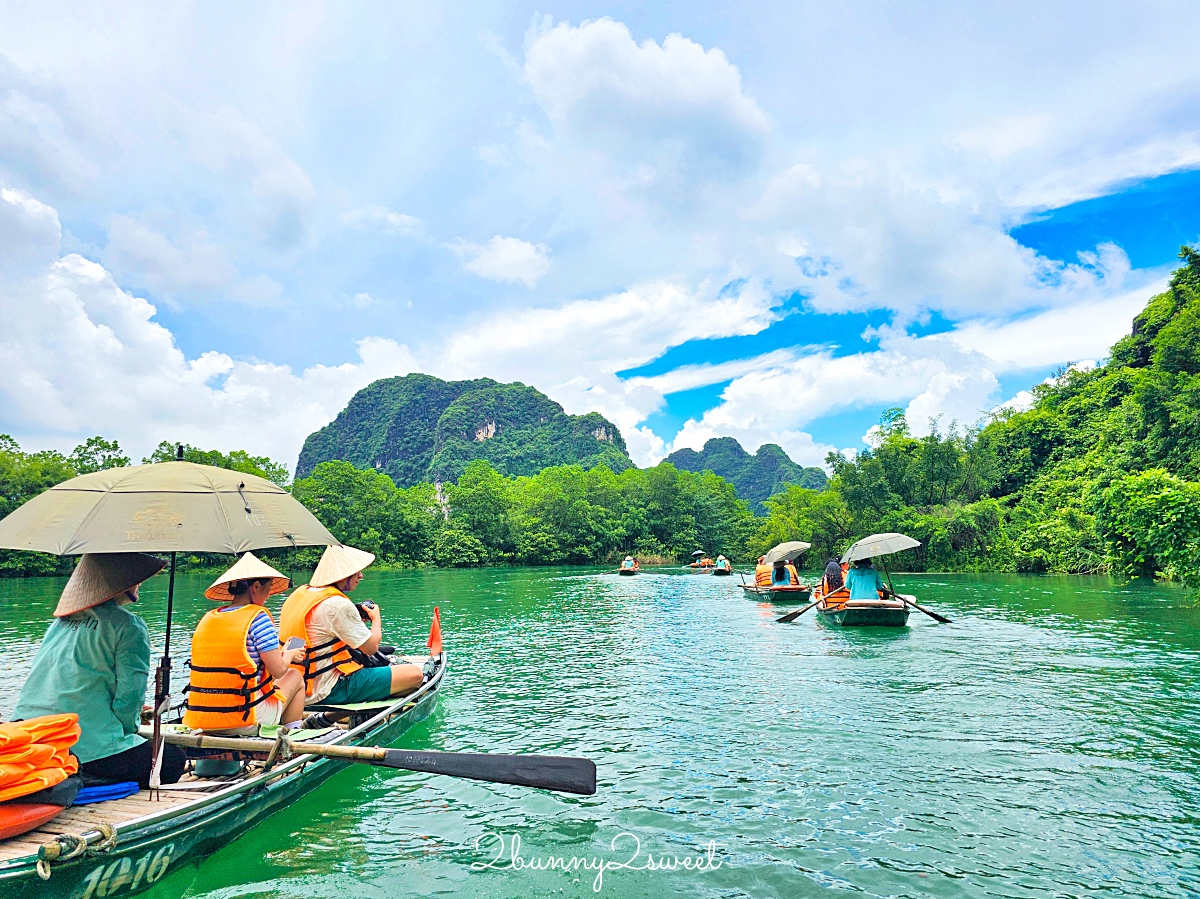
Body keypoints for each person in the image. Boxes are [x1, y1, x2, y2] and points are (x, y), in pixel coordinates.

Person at [13, 552, 186, 789]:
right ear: (121, 582)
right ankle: (85, 777)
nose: (140, 583)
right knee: (173, 761)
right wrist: (130, 729)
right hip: (82, 745)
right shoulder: (129, 626)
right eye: (136, 578)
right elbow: (129, 697)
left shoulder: (60, 622)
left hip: (30, 734)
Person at [280, 545, 424, 721]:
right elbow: (371, 648)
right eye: (357, 572)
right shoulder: (337, 604)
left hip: (297, 684)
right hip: (328, 688)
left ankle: (328, 717)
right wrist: (376, 619)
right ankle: (331, 716)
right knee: (415, 676)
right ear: (343, 575)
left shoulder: (299, 595)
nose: (361, 576)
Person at [182, 553, 307, 733]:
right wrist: (289, 654)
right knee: (295, 676)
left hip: (202, 717)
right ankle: (293, 737)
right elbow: (278, 671)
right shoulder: (259, 618)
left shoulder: (208, 619)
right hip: (243, 717)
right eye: (269, 588)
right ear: (256, 587)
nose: (269, 595)